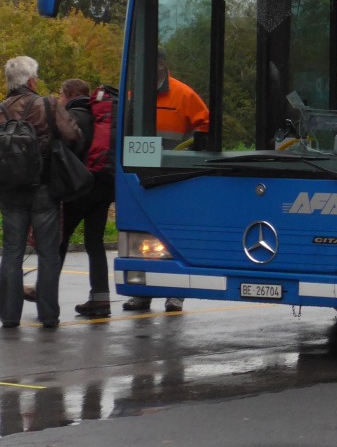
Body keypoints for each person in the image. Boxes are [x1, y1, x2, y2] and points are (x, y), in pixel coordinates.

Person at [124, 48, 210, 313]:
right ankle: (142, 293)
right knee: (143, 237)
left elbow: (205, 126)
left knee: (174, 235)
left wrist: (189, 152)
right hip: (143, 174)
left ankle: (175, 294)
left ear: (162, 64)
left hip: (175, 174)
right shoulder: (133, 94)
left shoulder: (183, 94)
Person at [0, 56, 83, 329]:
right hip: (44, 189)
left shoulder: (1, 109)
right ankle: (49, 316)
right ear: (32, 80)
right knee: (48, 253)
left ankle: (9, 316)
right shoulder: (47, 104)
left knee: (12, 252)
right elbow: (72, 136)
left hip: (10, 191)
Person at [57, 79, 114, 318]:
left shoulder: (73, 118)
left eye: (60, 95)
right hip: (104, 187)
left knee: (58, 240)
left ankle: (45, 294)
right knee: (94, 242)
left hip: (79, 188)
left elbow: (66, 153)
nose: (59, 99)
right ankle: (100, 300)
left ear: (69, 94)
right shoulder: (101, 117)